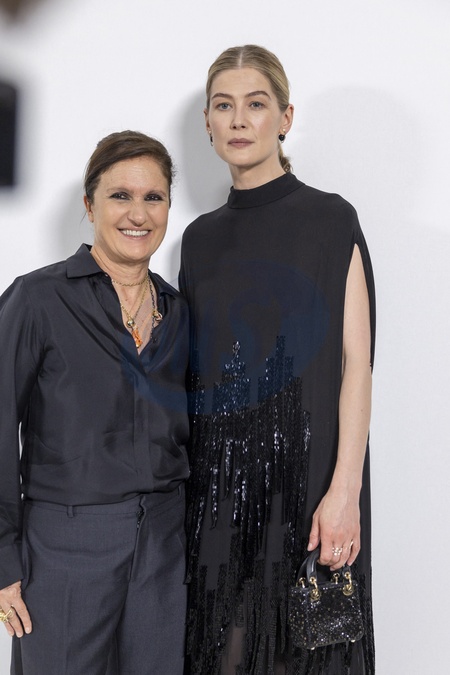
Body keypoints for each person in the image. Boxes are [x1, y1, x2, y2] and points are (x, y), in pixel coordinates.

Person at [179, 45, 376, 674]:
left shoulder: (331, 219)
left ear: (285, 117)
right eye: (223, 106)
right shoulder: (197, 239)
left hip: (313, 485)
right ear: (208, 123)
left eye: (256, 104)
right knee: (224, 654)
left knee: (312, 654)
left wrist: (344, 490)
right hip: (218, 494)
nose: (239, 120)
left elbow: (357, 363)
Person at [0, 130, 189, 674]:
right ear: (89, 206)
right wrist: (3, 559)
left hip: (164, 547)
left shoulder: (179, 312)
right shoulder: (38, 299)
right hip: (64, 545)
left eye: (153, 197)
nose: (138, 213)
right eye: (120, 195)